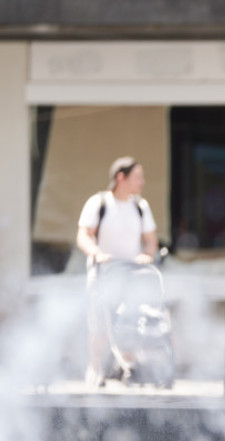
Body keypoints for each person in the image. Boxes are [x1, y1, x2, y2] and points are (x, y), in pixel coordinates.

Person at [77, 156, 159, 388]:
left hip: (130, 273)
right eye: (137, 177)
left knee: (131, 320)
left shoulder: (140, 206)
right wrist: (96, 253)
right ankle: (94, 368)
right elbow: (83, 234)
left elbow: (150, 239)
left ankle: (128, 368)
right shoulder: (99, 203)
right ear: (121, 178)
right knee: (99, 323)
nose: (142, 182)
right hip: (103, 272)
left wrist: (147, 256)